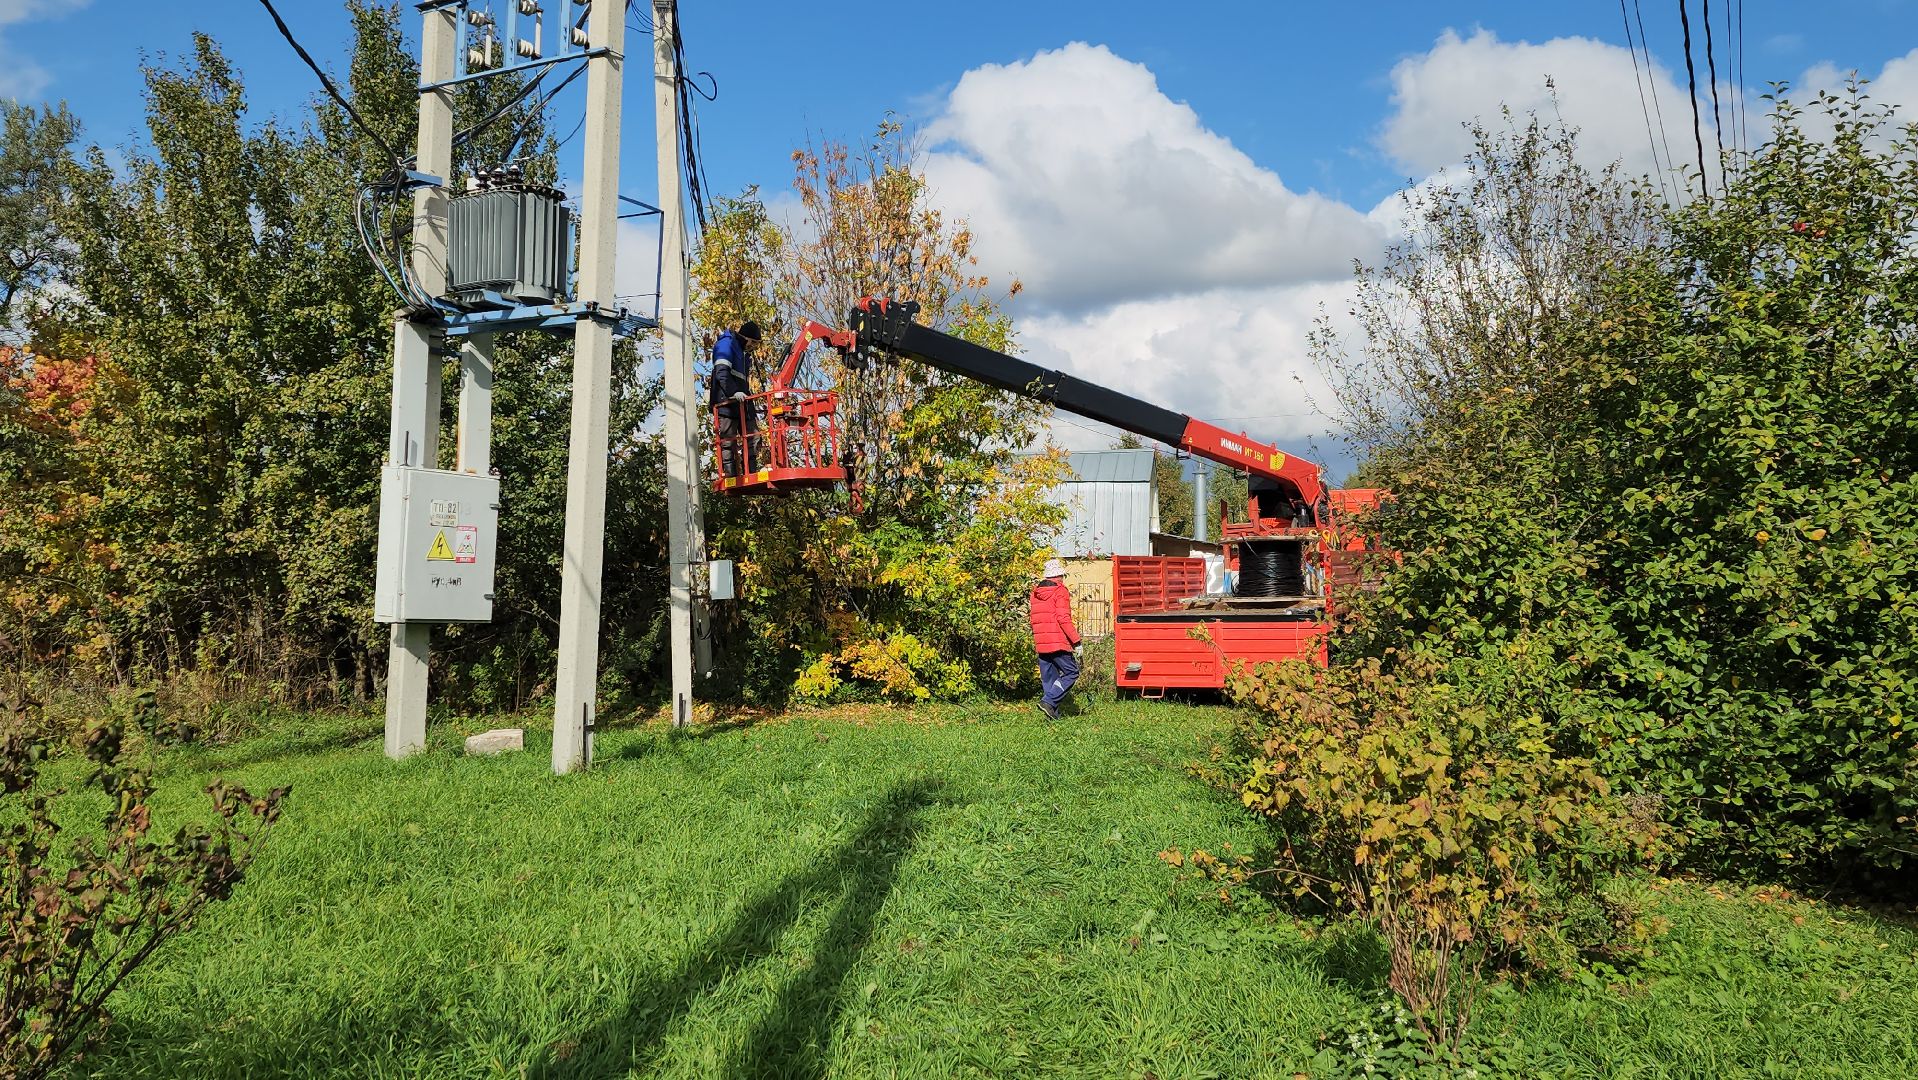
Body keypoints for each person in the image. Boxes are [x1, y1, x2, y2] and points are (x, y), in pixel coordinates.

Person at [1028, 558, 1082, 720]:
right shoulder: (1060, 591)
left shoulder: (1035, 593)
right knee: (1072, 672)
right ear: (1059, 576)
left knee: (1049, 679)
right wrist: (1076, 641)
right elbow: (1063, 618)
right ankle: (1049, 701)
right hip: (1058, 642)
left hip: (1041, 643)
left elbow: (1034, 619)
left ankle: (1052, 715)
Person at [711, 320, 761, 476]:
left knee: (753, 436)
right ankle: (730, 475)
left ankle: (751, 472)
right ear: (745, 337)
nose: (754, 347)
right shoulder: (726, 345)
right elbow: (721, 372)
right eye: (753, 342)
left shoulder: (743, 353)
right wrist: (733, 392)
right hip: (726, 402)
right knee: (728, 441)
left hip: (742, 403)